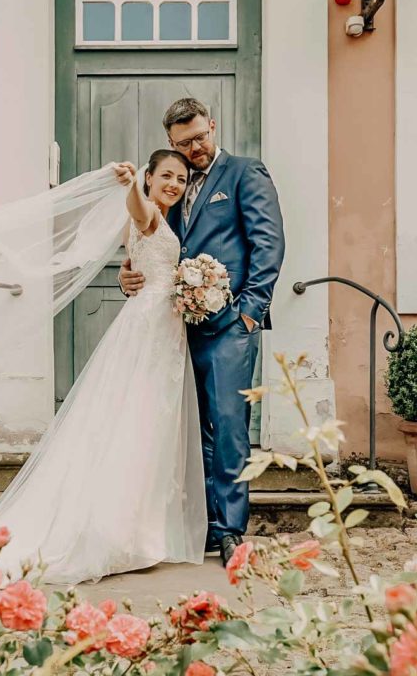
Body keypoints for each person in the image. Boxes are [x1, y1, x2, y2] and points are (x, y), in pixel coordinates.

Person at [0, 150, 207, 592]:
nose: (175, 185)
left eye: (181, 179)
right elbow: (140, 212)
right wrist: (131, 188)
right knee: (139, 423)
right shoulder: (148, 216)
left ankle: (140, 530)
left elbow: (143, 258)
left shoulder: (160, 221)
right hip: (150, 333)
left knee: (145, 426)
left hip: (160, 329)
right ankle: (123, 536)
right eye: (166, 177)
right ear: (150, 178)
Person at [119, 97, 285, 568]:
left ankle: (231, 530)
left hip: (230, 325)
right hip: (175, 328)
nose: (193, 148)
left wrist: (250, 312)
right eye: (182, 143)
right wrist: (126, 274)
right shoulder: (171, 187)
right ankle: (206, 524)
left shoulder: (245, 173)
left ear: (213, 125)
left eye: (199, 137)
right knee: (192, 428)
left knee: (230, 426)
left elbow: (268, 243)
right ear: (170, 143)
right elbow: (153, 243)